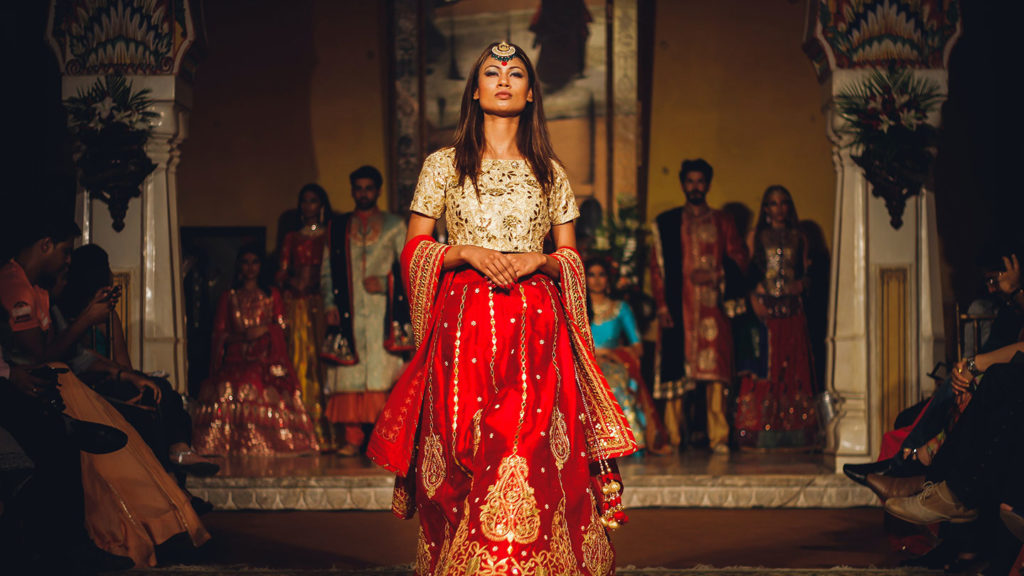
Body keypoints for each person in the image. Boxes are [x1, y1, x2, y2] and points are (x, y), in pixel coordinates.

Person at [367, 41, 637, 575]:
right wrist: (464, 250)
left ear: (531, 91)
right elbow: (415, 247)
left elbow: (571, 259)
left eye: (516, 73)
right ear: (476, 88)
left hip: (535, 328)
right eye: (491, 72)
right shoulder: (444, 166)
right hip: (462, 326)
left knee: (525, 446)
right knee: (465, 450)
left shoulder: (550, 171)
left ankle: (521, 564)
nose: (504, 79)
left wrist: (539, 261)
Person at [0, 218, 210, 567]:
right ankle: (97, 540)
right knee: (94, 455)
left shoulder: (34, 287)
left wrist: (120, 369)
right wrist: (85, 320)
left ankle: (155, 521)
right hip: (38, 385)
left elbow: (64, 353)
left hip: (57, 379)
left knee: (117, 444)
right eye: (66, 251)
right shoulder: (14, 285)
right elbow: (40, 356)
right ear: (45, 245)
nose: (69, 261)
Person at [53, 244, 218, 477]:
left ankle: (179, 454)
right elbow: (77, 360)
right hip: (87, 387)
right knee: (150, 410)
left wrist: (133, 377)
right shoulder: (67, 315)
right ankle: (167, 476)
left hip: (112, 379)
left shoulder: (109, 317)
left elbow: (122, 362)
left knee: (162, 391)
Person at [649, 158, 748, 453]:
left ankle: (719, 437)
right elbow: (657, 267)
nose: (695, 187)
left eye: (700, 181)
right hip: (680, 306)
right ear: (682, 184)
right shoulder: (668, 222)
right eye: (690, 181)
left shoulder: (722, 221)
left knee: (715, 374)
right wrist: (662, 306)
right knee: (675, 373)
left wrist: (718, 274)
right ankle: (674, 438)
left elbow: (739, 258)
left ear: (708, 184)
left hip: (712, 307)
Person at [193, 245, 320, 455]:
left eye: (255, 262)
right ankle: (230, 444)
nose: (250, 268)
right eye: (245, 262)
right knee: (226, 386)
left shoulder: (271, 295)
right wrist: (243, 337)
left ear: (261, 266)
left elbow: (282, 329)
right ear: (239, 266)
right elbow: (218, 334)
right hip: (235, 359)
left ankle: (264, 443)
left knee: (254, 381)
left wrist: (264, 330)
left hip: (265, 359)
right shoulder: (229, 296)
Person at [320, 166, 408, 457]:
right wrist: (330, 305)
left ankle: (381, 441)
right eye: (358, 188)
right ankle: (353, 438)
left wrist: (386, 283)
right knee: (349, 374)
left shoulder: (396, 225)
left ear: (378, 190)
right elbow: (327, 271)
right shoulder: (338, 227)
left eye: (369, 188)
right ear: (352, 190)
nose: (363, 193)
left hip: (383, 313)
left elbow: (408, 268)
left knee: (383, 375)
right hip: (349, 311)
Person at [734, 186, 818, 450]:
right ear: (765, 208)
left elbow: (808, 273)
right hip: (764, 310)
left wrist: (801, 285)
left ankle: (793, 431)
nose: (778, 208)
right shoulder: (755, 235)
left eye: (783, 203)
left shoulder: (799, 237)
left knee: (792, 366)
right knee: (766, 367)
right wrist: (753, 299)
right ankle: (759, 429)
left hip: (792, 311)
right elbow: (744, 273)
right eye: (772, 203)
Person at [586, 258, 670, 455]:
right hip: (584, 364)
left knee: (616, 383)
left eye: (601, 275)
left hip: (613, 363)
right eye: (591, 275)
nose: (597, 280)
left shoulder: (621, 308)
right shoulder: (577, 306)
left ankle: (626, 442)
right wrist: (595, 354)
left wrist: (610, 353)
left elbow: (638, 347)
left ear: (609, 279)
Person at [276, 183, 332, 443]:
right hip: (297, 304)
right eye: (304, 201)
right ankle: (300, 428)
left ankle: (326, 430)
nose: (308, 206)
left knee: (322, 362)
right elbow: (281, 272)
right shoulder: (292, 238)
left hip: (321, 304)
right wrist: (291, 283)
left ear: (322, 205)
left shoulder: (330, 235)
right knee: (298, 359)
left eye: (313, 201)